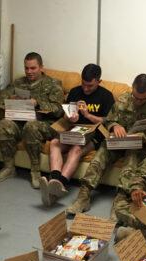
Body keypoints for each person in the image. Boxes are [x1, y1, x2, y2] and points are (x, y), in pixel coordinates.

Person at [66, 73, 146, 216]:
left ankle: (120, 202)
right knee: (100, 155)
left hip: (139, 145)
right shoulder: (123, 99)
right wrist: (114, 126)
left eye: (143, 99)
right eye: (135, 97)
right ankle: (83, 197)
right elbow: (107, 120)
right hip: (118, 141)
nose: (138, 101)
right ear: (132, 88)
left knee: (131, 161)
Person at [39, 63, 115, 206]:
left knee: (76, 149)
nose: (85, 89)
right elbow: (67, 114)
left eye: (90, 86)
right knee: (54, 143)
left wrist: (87, 114)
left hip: (94, 134)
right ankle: (54, 179)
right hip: (74, 130)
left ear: (99, 81)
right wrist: (70, 117)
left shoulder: (106, 96)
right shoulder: (74, 92)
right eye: (83, 84)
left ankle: (59, 184)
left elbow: (108, 121)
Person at [0, 52, 65, 188]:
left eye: (33, 68)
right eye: (26, 68)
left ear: (41, 67)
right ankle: (9, 167)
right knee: (2, 125)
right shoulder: (18, 83)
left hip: (44, 124)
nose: (29, 72)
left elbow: (59, 109)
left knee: (31, 126)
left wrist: (38, 103)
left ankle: (35, 171)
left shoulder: (53, 84)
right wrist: (9, 99)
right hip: (19, 121)